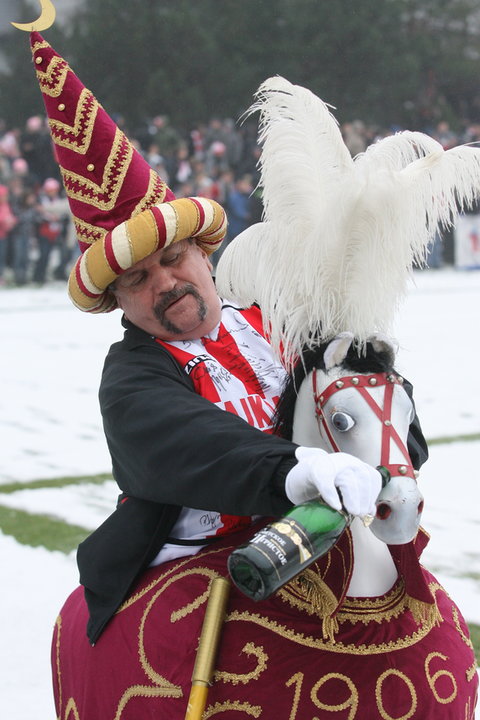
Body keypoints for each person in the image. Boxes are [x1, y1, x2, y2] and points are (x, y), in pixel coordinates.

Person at [24, 29, 457, 720]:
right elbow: (185, 438)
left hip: (325, 528)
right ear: (119, 302)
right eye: (138, 279)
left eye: (174, 259)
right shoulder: (132, 377)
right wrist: (292, 470)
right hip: (199, 547)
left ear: (203, 252)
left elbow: (369, 404)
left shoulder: (280, 328)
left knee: (440, 638)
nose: (164, 283)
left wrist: (390, 442)